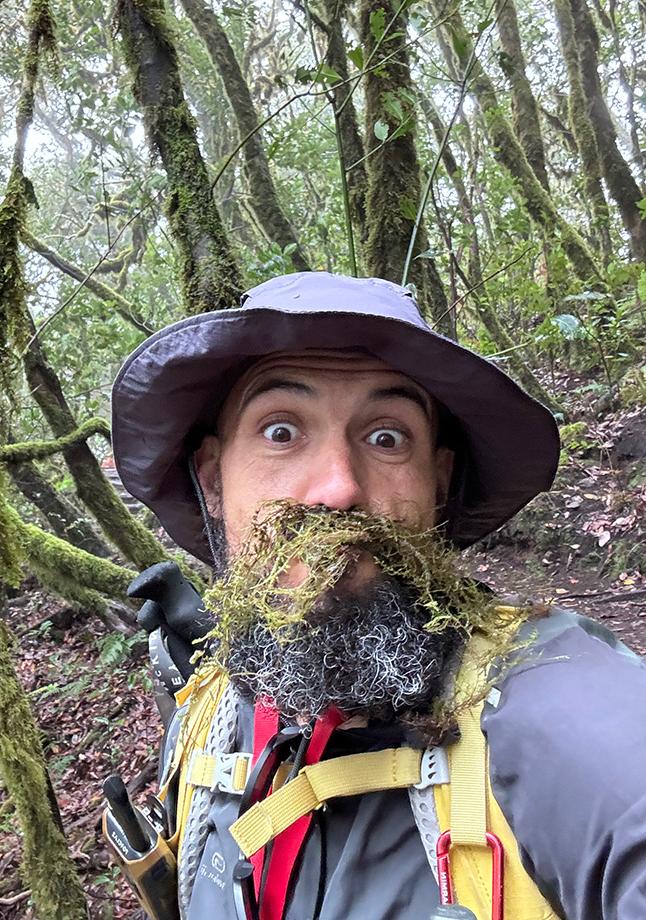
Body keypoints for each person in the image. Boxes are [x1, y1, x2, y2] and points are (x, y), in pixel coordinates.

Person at [111, 272, 646, 920]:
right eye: (281, 431)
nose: (338, 488)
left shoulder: (548, 704)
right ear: (213, 479)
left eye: (385, 436)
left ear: (438, 481)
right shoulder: (205, 722)